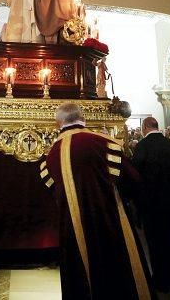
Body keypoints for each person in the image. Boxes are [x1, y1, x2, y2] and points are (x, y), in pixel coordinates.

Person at [39, 103, 151, 299]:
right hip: (110, 222)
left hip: (73, 230)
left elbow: (53, 193)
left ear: (59, 123)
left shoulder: (49, 156)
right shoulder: (104, 142)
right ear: (83, 118)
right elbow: (133, 180)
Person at [131, 116, 170, 295]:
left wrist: (137, 204)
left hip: (150, 205)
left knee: (154, 242)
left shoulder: (141, 147)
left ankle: (161, 280)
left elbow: (135, 178)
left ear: (145, 127)